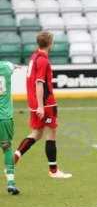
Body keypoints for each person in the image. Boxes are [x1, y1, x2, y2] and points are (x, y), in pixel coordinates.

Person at [14, 31, 71, 178]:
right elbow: (39, 83)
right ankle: (54, 171)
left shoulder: (34, 57)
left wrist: (34, 104)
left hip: (34, 102)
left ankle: (17, 154)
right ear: (50, 44)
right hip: (45, 104)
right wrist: (40, 105)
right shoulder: (43, 60)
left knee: (37, 133)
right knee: (50, 134)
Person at [0, 61, 20, 195]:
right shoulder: (6, 66)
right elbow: (14, 66)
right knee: (7, 148)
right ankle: (11, 183)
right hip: (4, 117)